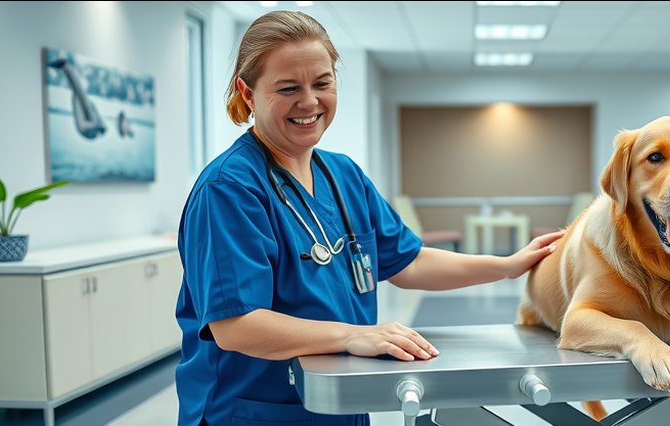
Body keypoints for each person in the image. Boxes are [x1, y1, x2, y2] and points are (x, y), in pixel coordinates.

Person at [173, 10, 563, 425]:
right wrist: (352, 334)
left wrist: (506, 266)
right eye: (288, 88)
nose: (309, 101)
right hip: (252, 411)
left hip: (338, 401)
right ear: (248, 94)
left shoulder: (342, 175)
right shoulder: (229, 189)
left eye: (322, 83)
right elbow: (237, 325)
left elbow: (407, 261)